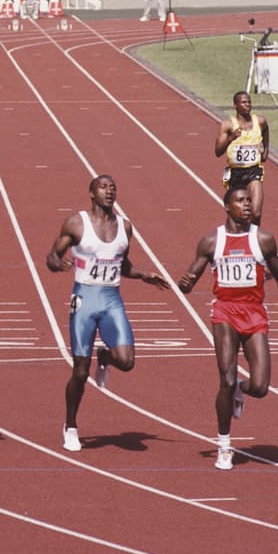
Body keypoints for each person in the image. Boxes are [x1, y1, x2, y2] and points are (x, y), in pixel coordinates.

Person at [45, 175, 169, 451]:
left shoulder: (124, 226)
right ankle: (71, 425)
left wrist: (143, 275)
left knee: (126, 360)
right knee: (79, 371)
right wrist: (58, 264)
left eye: (113, 187)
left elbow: (123, 265)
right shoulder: (77, 223)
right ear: (91, 193)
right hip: (85, 298)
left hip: (111, 298)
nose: (109, 191)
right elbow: (51, 256)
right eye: (103, 187)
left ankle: (105, 356)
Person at [177, 186, 278, 471]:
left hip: (254, 314)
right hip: (225, 313)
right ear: (227, 207)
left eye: (248, 201)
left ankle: (242, 390)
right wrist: (186, 284)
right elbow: (191, 276)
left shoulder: (263, 240)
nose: (247, 205)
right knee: (226, 379)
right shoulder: (211, 242)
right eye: (240, 201)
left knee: (261, 386)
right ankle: (224, 445)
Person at [215, 91, 270, 225]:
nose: (248, 105)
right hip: (235, 174)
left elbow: (266, 130)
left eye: (249, 102)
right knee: (238, 216)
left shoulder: (260, 121)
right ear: (235, 105)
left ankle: (254, 240)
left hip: (253, 172)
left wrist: (266, 149)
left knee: (255, 213)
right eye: (244, 102)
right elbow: (218, 151)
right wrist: (231, 138)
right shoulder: (228, 125)